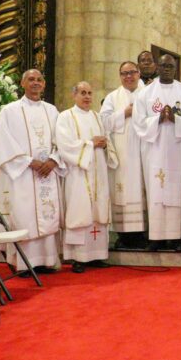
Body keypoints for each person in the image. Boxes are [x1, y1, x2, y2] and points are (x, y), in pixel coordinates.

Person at [0, 69, 64, 274]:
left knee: (48, 213)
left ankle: (48, 260)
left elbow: (61, 139)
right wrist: (29, 162)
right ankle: (22, 263)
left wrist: (53, 160)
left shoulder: (52, 111)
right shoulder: (9, 111)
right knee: (24, 215)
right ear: (22, 84)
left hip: (48, 173)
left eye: (39, 79)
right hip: (22, 173)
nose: (36, 83)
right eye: (31, 79)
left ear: (44, 84)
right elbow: (3, 142)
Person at [56, 82, 118, 273]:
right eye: (83, 93)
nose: (87, 97)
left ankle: (97, 255)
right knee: (79, 210)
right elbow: (64, 145)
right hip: (78, 173)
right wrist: (90, 144)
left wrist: (106, 145)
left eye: (90, 93)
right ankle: (78, 258)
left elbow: (107, 141)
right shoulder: (66, 117)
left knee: (98, 212)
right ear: (74, 95)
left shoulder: (97, 117)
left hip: (98, 173)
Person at [133, 54, 181, 250]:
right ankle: (156, 237)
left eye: (171, 66)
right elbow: (138, 123)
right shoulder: (145, 93)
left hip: (178, 148)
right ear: (157, 67)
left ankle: (177, 238)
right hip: (154, 150)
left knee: (179, 190)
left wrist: (176, 119)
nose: (167, 69)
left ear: (175, 69)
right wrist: (157, 118)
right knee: (155, 191)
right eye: (163, 65)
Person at [101, 61, 147, 249]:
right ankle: (124, 235)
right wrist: (124, 113)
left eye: (132, 72)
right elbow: (103, 121)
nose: (128, 76)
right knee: (123, 192)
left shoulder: (149, 93)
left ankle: (146, 234)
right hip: (123, 153)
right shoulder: (113, 97)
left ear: (139, 73)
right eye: (124, 73)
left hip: (145, 151)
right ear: (120, 76)